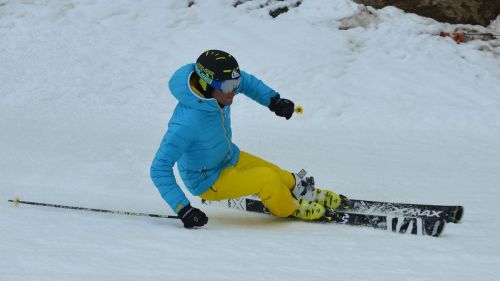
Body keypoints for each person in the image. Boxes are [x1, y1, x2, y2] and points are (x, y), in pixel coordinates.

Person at [150, 50, 347, 228]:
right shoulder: (187, 123)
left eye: (235, 84)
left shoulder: (219, 90)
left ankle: (303, 191)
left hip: (228, 157)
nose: (235, 90)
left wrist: (273, 101)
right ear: (206, 84)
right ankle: (290, 207)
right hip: (207, 180)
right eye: (230, 86)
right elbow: (159, 168)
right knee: (266, 179)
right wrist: (184, 209)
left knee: (279, 174)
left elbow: (247, 82)